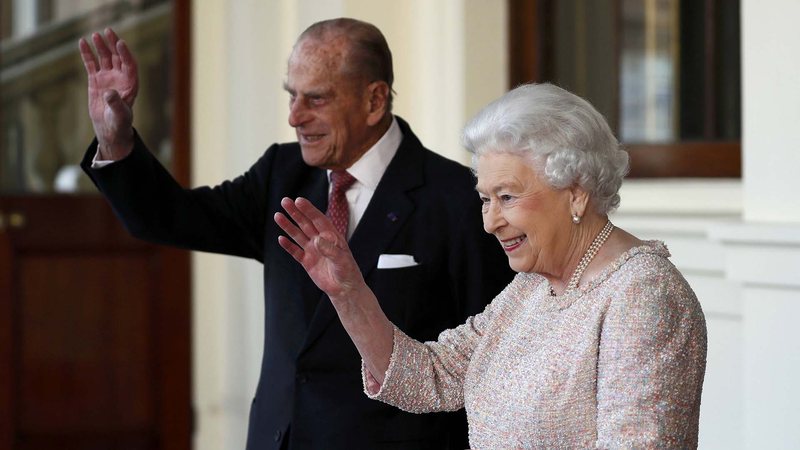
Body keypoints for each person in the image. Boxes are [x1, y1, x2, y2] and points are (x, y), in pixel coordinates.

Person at [77, 19, 514, 450]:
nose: (294, 116)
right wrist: (114, 140)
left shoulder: (459, 198)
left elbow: (490, 362)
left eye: (316, 99)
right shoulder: (280, 176)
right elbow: (168, 217)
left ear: (375, 100)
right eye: (292, 95)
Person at [275, 83, 708, 449]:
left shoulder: (642, 294)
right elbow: (431, 377)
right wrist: (349, 292)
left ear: (576, 192)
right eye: (485, 198)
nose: (490, 222)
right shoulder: (532, 288)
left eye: (507, 197)